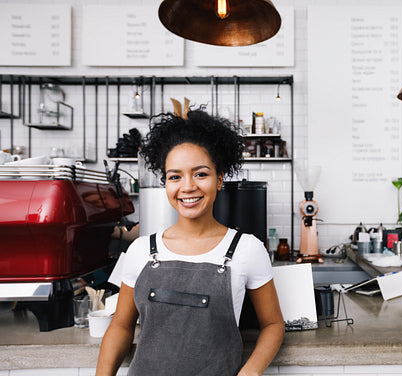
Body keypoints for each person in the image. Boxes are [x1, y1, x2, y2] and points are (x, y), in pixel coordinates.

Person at [95, 110, 284, 376]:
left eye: (200, 174)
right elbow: (121, 326)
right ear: (166, 185)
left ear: (219, 179)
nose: (187, 187)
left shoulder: (247, 249)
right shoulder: (141, 250)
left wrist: (249, 372)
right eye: (175, 177)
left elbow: (273, 324)